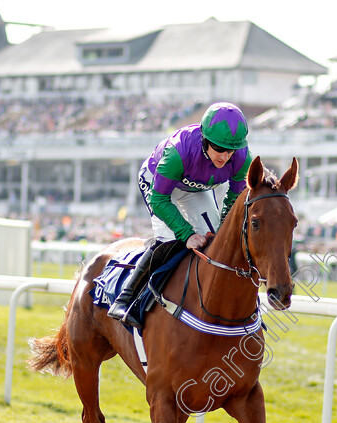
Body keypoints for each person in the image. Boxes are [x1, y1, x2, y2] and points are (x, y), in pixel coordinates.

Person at [107, 102, 253, 328]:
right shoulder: (179, 151)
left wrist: (224, 229)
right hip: (161, 187)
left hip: (196, 190)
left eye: (230, 150)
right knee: (171, 239)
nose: (225, 157)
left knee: (215, 242)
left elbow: (232, 201)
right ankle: (127, 298)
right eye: (219, 148)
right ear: (205, 139)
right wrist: (186, 234)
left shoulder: (242, 159)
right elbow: (159, 199)